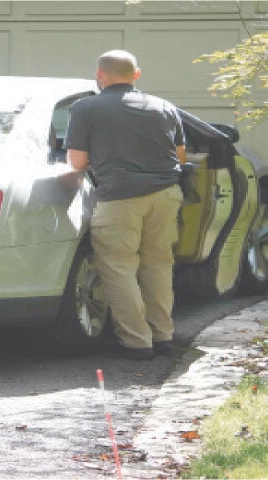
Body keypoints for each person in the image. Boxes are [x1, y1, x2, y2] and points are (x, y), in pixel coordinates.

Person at [65, 50, 186, 361]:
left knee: (119, 268)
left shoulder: (85, 108)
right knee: (158, 265)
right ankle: (162, 335)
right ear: (137, 74)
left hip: (119, 197)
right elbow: (180, 157)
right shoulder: (164, 107)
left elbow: (76, 162)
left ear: (99, 75)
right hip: (166, 194)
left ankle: (137, 342)